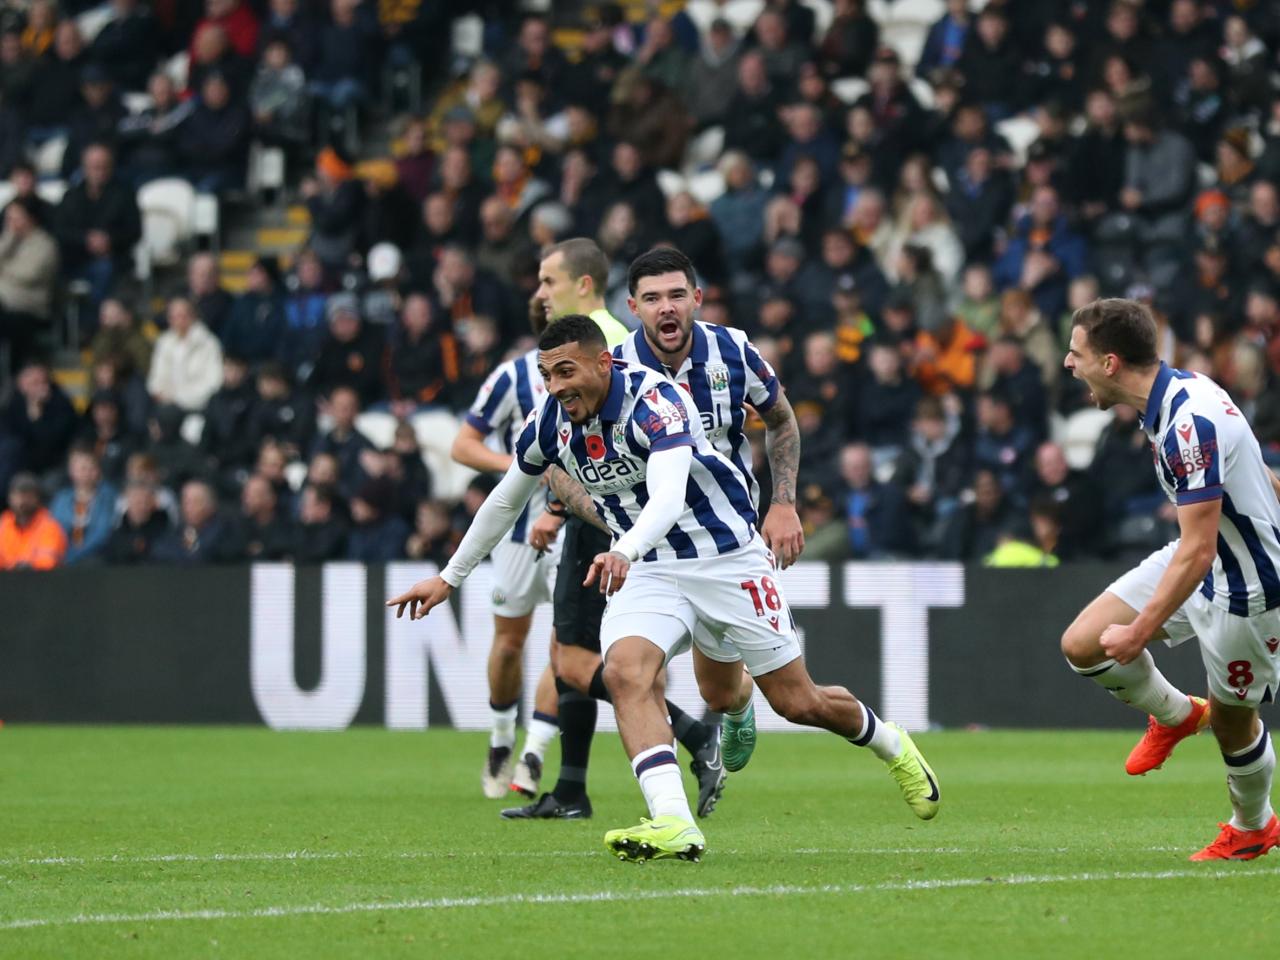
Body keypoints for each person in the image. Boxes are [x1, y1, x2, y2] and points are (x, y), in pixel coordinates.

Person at [389, 315, 939, 862]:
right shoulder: (548, 421)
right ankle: (674, 821)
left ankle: (891, 744)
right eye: (547, 375)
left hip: (726, 560)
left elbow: (669, 498)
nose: (556, 387)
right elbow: (507, 498)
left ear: (603, 362)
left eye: (565, 371)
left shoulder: (655, 400)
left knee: (797, 702)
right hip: (650, 567)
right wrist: (447, 576)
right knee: (626, 673)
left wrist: (621, 550)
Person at [499, 239, 721, 823]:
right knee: (568, 653)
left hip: (610, 523)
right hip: (614, 519)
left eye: (550, 281)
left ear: (584, 285)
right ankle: (571, 787)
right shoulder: (606, 342)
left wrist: (559, 506)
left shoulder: (605, 347)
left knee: (573, 660)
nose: (541, 294)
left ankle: (694, 735)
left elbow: (615, 442)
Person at [1061, 298, 1280, 861]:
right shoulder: (1176, 397)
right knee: (1082, 644)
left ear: (1110, 362)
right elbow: (1252, 474)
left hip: (1247, 589)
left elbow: (1201, 550)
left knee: (1236, 723)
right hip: (1199, 556)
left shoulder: (1189, 422)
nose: (1067, 363)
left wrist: (1138, 635)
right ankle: (1179, 716)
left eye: (1076, 352)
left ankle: (1253, 825)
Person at [451, 305, 560, 799]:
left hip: (573, 530)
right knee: (510, 642)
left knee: (570, 646)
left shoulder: (609, 363)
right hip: (517, 533)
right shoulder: (512, 376)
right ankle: (500, 739)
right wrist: (520, 466)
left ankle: (534, 753)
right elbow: (463, 445)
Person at [0, 471, 66, 569]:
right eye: (18, 495)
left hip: (41, 581)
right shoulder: (3, 524)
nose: (23, 501)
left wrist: (20, 568)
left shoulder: (49, 526)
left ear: (37, 499)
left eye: (28, 496)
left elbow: (47, 563)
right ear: (10, 498)